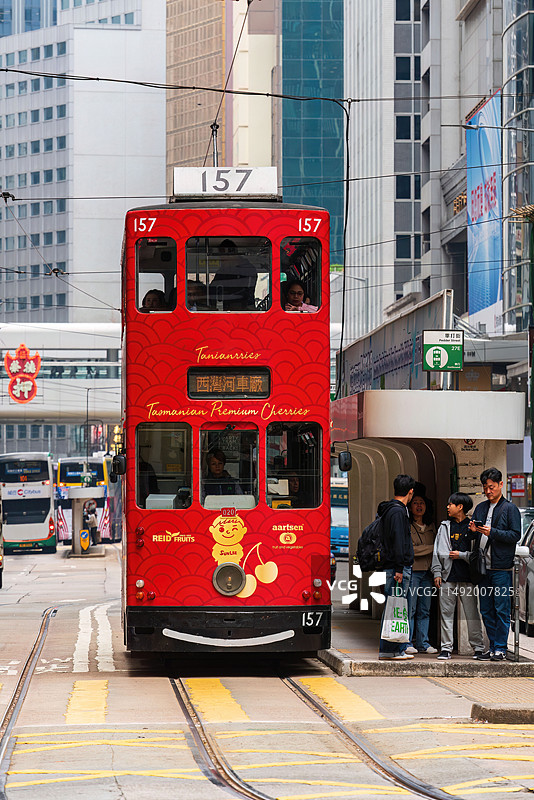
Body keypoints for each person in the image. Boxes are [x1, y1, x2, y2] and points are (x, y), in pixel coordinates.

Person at [469, 467, 521, 661]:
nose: (488, 491)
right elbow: (475, 535)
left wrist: (493, 532)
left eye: (491, 487)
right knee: (486, 609)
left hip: (501, 568)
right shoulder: (481, 507)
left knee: (501, 609)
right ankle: (492, 648)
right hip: (483, 567)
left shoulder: (510, 509)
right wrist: (473, 529)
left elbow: (515, 535)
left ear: (501, 484)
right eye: (485, 487)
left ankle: (500, 647)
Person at [431, 492, 485, 661]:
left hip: (468, 578)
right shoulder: (444, 527)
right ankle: (446, 649)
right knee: (446, 614)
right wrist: (437, 572)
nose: (447, 507)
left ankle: (478, 647)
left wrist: (461, 555)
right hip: (447, 577)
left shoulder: (473, 527)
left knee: (472, 614)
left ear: (460, 507)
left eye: (450, 504)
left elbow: (478, 554)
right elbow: (437, 552)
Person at [377, 474, 415, 660]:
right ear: (410, 491)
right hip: (397, 568)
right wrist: (400, 568)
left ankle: (394, 648)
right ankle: (392, 650)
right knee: (396, 608)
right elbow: (399, 542)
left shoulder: (389, 510)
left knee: (394, 606)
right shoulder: (399, 512)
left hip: (392, 566)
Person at [405, 491, 438, 655]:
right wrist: (433, 548)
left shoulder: (432, 527)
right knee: (410, 608)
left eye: (422, 503)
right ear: (410, 507)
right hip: (413, 572)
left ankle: (423, 643)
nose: (419, 506)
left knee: (425, 609)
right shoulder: (408, 526)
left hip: (428, 573)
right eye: (415, 502)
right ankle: (407, 642)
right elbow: (411, 550)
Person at [209, 239, 257, 310]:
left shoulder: (247, 269)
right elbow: (213, 289)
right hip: (226, 309)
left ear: (232, 254)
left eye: (223, 257)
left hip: (244, 309)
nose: (221, 259)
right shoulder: (222, 271)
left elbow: (247, 292)